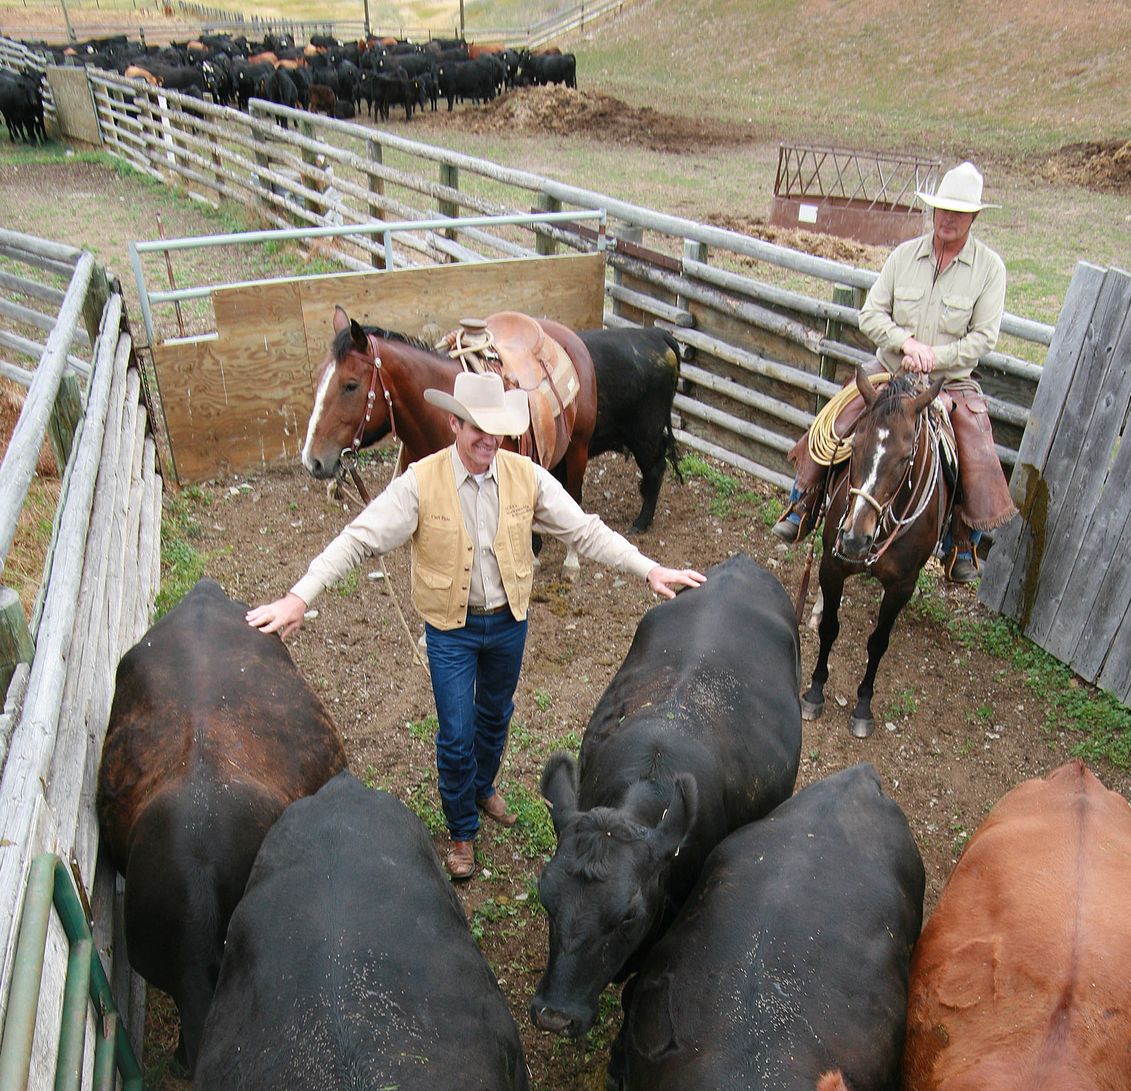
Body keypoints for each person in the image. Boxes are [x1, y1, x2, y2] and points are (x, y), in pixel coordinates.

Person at [247, 370, 706, 882]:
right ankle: (462, 829)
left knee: (495, 716)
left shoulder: (524, 476)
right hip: (450, 631)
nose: (489, 439)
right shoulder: (420, 483)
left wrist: (649, 568)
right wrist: (297, 596)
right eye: (476, 429)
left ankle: (483, 786)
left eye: (497, 430)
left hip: (508, 622)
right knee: (457, 733)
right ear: (454, 424)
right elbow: (358, 539)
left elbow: (584, 530)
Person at [773, 160, 1016, 584]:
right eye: (943, 211)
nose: (949, 220)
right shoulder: (904, 256)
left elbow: (984, 338)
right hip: (889, 371)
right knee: (836, 419)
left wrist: (935, 357)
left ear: (974, 217)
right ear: (933, 212)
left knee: (977, 447)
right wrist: (907, 344)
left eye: (959, 213)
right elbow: (871, 314)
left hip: (949, 380)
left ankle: (961, 541)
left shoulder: (989, 269)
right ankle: (803, 501)